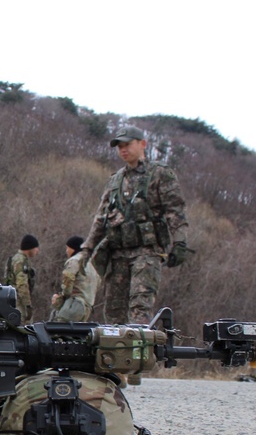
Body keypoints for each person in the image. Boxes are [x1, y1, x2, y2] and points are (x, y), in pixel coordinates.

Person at [79, 125, 190, 325]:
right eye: (119, 146)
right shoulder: (115, 180)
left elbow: (175, 210)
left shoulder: (159, 174)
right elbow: (101, 218)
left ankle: (137, 352)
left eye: (127, 144)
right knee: (113, 311)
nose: (123, 149)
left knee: (140, 307)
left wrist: (179, 242)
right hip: (118, 253)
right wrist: (86, 250)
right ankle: (116, 353)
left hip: (146, 252)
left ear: (142, 144)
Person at [51, 235, 99, 322]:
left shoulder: (74, 260)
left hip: (74, 305)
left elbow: (68, 279)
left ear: (73, 248)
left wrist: (62, 296)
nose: (66, 251)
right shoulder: (91, 264)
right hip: (87, 307)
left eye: (67, 248)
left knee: (59, 331)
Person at [5, 234, 39, 322]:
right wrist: (27, 305)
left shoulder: (18, 259)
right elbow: (22, 284)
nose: (37, 251)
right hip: (18, 301)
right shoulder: (21, 261)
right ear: (30, 248)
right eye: (35, 248)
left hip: (14, 298)